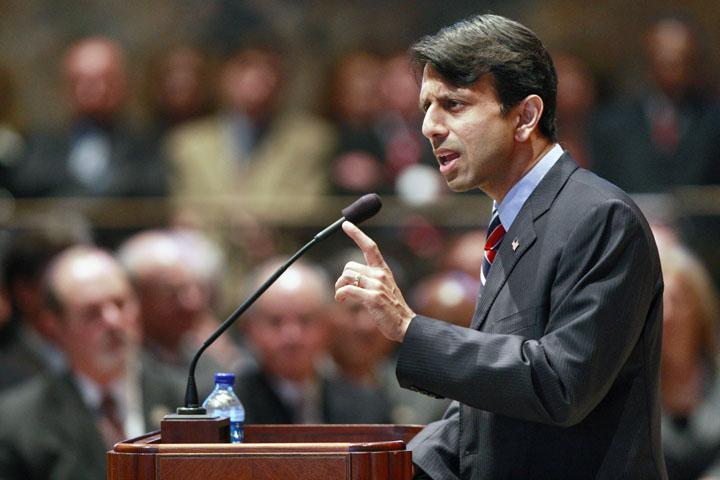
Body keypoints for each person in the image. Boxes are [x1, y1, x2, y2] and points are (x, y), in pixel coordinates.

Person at [334, 14, 665, 479]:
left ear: (525, 116)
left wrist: (411, 330)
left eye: (454, 104)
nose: (430, 126)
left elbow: (558, 385)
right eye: (427, 106)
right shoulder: (510, 221)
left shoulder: (599, 217)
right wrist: (383, 469)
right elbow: (486, 414)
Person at [0, 246, 184, 480]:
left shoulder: (187, 400)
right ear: (53, 326)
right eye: (91, 312)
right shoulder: (16, 422)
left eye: (120, 304)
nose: (113, 321)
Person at [236, 258, 391, 425]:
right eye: (275, 321)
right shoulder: (226, 409)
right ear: (248, 328)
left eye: (305, 320)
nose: (292, 336)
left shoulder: (364, 405)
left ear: (328, 325)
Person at [657, 242, 720, 480]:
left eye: (678, 300)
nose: (669, 314)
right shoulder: (635, 385)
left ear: (699, 307)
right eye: (661, 302)